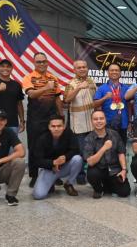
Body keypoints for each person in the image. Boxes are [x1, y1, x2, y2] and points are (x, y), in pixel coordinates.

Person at [22, 52, 63, 187]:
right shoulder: (28, 77)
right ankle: (34, 176)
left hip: (52, 118)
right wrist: (46, 88)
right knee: (33, 147)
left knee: (53, 146)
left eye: (44, 61)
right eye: (38, 62)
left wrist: (61, 115)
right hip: (35, 119)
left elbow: (57, 98)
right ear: (34, 63)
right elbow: (31, 94)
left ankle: (54, 173)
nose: (41, 64)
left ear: (47, 63)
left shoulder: (53, 78)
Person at [32, 115, 83, 200]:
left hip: (64, 166)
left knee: (78, 159)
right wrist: (53, 163)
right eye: (53, 126)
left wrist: (65, 157)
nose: (56, 129)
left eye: (59, 126)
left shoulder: (68, 133)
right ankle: (50, 183)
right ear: (49, 127)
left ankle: (69, 183)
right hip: (49, 169)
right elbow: (36, 160)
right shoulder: (41, 137)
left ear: (64, 126)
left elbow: (75, 149)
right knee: (38, 195)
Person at [63, 59, 96, 184]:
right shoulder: (71, 83)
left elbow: (95, 98)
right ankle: (80, 176)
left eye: (84, 67)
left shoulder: (91, 81)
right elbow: (66, 100)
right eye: (79, 67)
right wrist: (78, 88)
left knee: (91, 150)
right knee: (81, 152)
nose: (82, 69)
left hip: (92, 124)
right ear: (74, 70)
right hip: (79, 125)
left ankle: (91, 175)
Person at [83, 110, 130, 199]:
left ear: (105, 120)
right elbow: (90, 162)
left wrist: (124, 169)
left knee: (125, 192)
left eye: (101, 118)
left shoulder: (114, 134)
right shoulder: (89, 138)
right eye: (95, 119)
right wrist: (104, 148)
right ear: (91, 122)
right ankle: (98, 189)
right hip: (99, 169)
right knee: (92, 174)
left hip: (114, 169)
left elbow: (121, 152)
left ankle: (107, 185)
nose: (99, 121)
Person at [93, 63, 131, 145]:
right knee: (109, 148)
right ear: (108, 73)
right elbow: (95, 105)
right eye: (112, 70)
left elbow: (129, 105)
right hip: (108, 124)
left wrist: (130, 121)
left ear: (120, 73)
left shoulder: (126, 88)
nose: (114, 72)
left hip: (123, 123)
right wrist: (105, 97)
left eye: (116, 70)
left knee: (122, 148)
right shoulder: (101, 88)